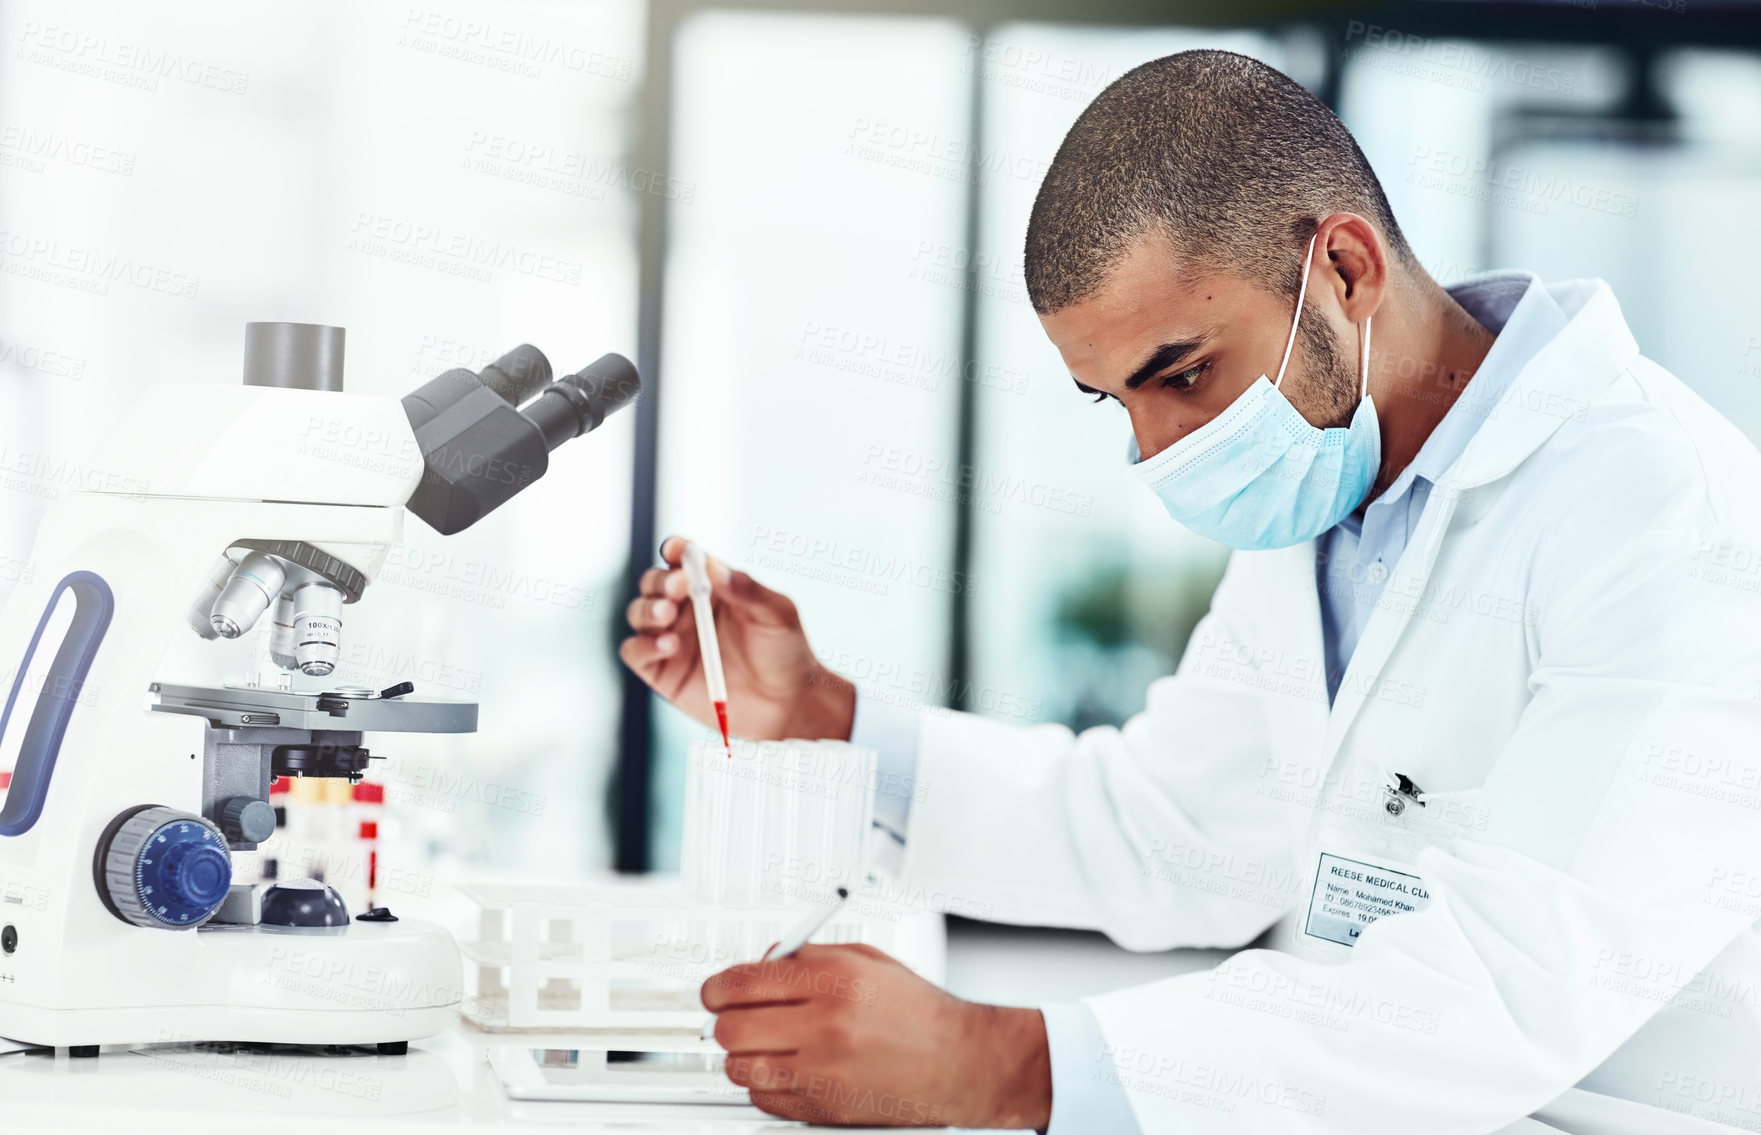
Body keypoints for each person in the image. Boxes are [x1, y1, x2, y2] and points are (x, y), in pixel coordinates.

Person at [621, 49, 1761, 1133]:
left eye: (1182, 375)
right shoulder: (1322, 497)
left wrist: (1001, 1060)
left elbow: (1518, 985)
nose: (1161, 450)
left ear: (1347, 269)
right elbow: (1174, 834)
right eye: (1116, 401)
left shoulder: (1668, 514)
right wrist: (822, 715)